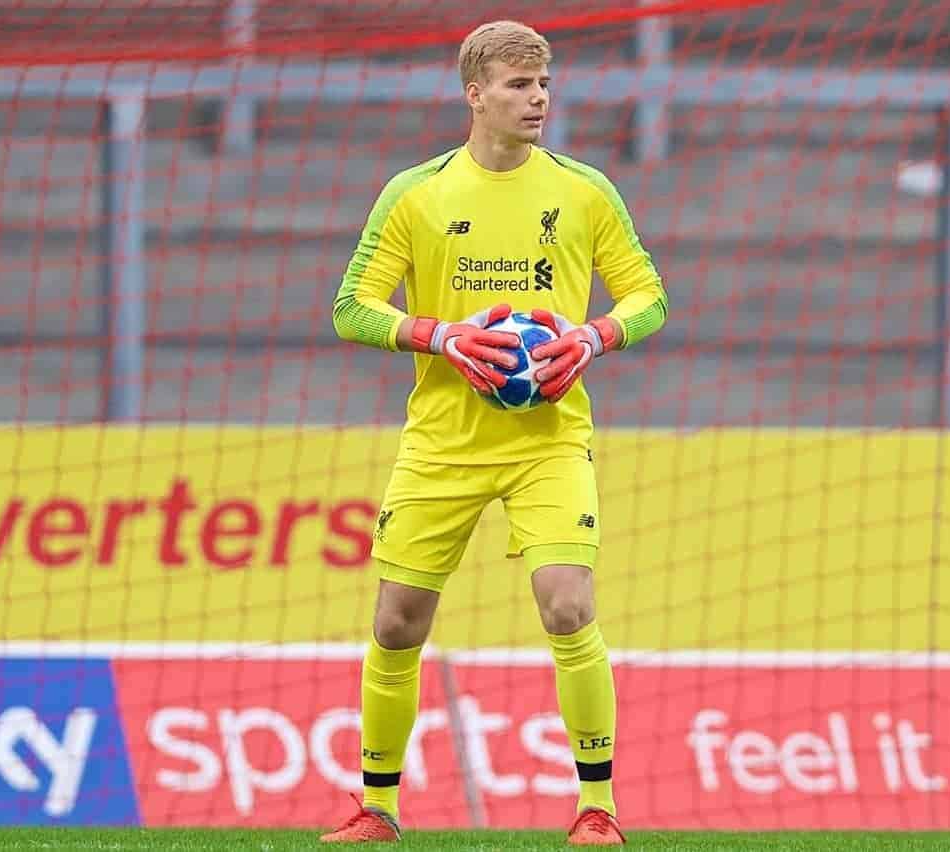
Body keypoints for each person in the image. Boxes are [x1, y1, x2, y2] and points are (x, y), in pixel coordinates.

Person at [320, 18, 667, 846]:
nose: (537, 98)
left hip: (548, 440)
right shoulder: (418, 194)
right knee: (398, 623)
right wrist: (439, 335)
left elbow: (648, 295)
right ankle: (377, 809)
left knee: (568, 605)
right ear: (475, 93)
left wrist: (593, 336)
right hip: (442, 444)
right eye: (518, 84)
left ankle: (598, 809)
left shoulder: (584, 191)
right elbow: (350, 306)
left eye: (544, 83)